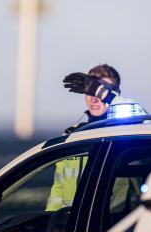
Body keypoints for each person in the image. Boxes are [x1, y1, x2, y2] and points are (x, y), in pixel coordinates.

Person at [45, 64, 136, 213]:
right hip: (71, 225)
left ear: (114, 94)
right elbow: (58, 189)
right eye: (89, 91)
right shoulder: (70, 135)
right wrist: (49, 220)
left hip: (113, 225)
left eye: (99, 91)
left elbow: (141, 116)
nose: (94, 99)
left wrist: (101, 92)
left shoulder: (127, 131)